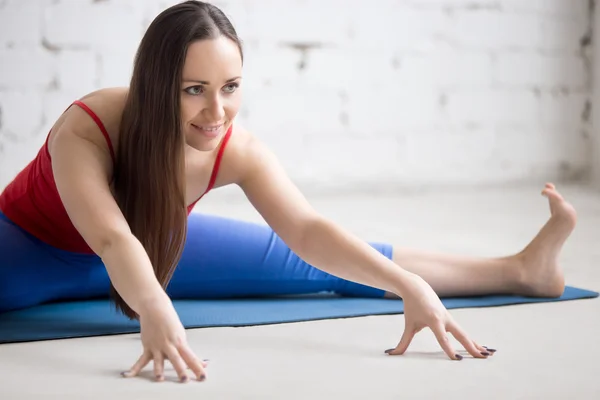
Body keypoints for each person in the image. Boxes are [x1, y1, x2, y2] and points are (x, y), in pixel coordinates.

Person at [0, 0, 576, 383]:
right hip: (28, 251)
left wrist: (408, 285)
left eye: (230, 87)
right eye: (194, 89)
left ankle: (522, 270)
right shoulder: (89, 126)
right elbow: (108, 234)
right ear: (156, 87)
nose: (216, 111)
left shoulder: (234, 147)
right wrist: (156, 307)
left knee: (316, 265)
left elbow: (306, 230)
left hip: (147, 248)